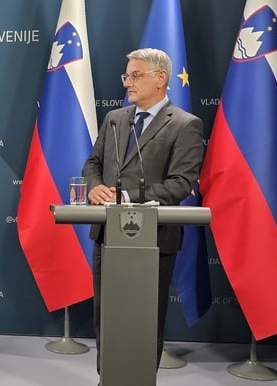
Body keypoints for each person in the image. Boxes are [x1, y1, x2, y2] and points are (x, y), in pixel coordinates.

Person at [81, 48, 203, 377]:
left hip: (154, 238)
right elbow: (93, 163)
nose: (128, 83)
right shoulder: (115, 120)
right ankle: (106, 377)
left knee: (144, 316)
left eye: (136, 75)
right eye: (126, 76)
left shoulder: (185, 125)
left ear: (160, 78)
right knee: (105, 314)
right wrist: (95, 187)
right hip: (108, 234)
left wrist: (124, 196)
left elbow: (180, 184)